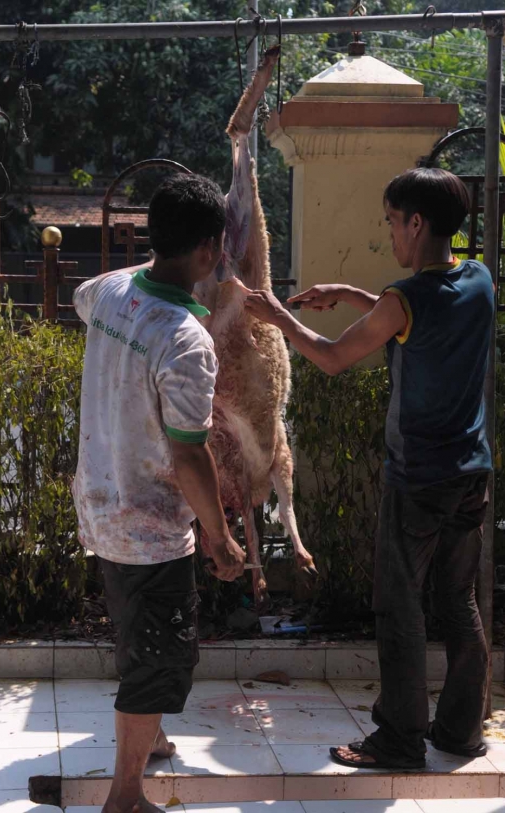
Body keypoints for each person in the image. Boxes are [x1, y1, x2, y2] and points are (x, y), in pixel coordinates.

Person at [243, 167, 493, 770]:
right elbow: (407, 317)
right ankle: (460, 734)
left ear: (416, 222)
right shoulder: (480, 279)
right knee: (458, 602)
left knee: (399, 607)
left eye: (390, 222)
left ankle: (400, 740)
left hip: (418, 479)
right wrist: (354, 296)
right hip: (471, 474)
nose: (390, 236)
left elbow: (331, 358)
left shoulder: (407, 300)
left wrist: (278, 317)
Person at [72, 173, 246, 813]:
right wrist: (221, 540)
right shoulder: (185, 340)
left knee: (134, 628)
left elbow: (84, 299)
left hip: (99, 501)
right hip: (148, 523)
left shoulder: (111, 290)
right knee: (159, 661)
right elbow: (189, 453)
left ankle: (154, 736)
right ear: (207, 250)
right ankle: (125, 796)